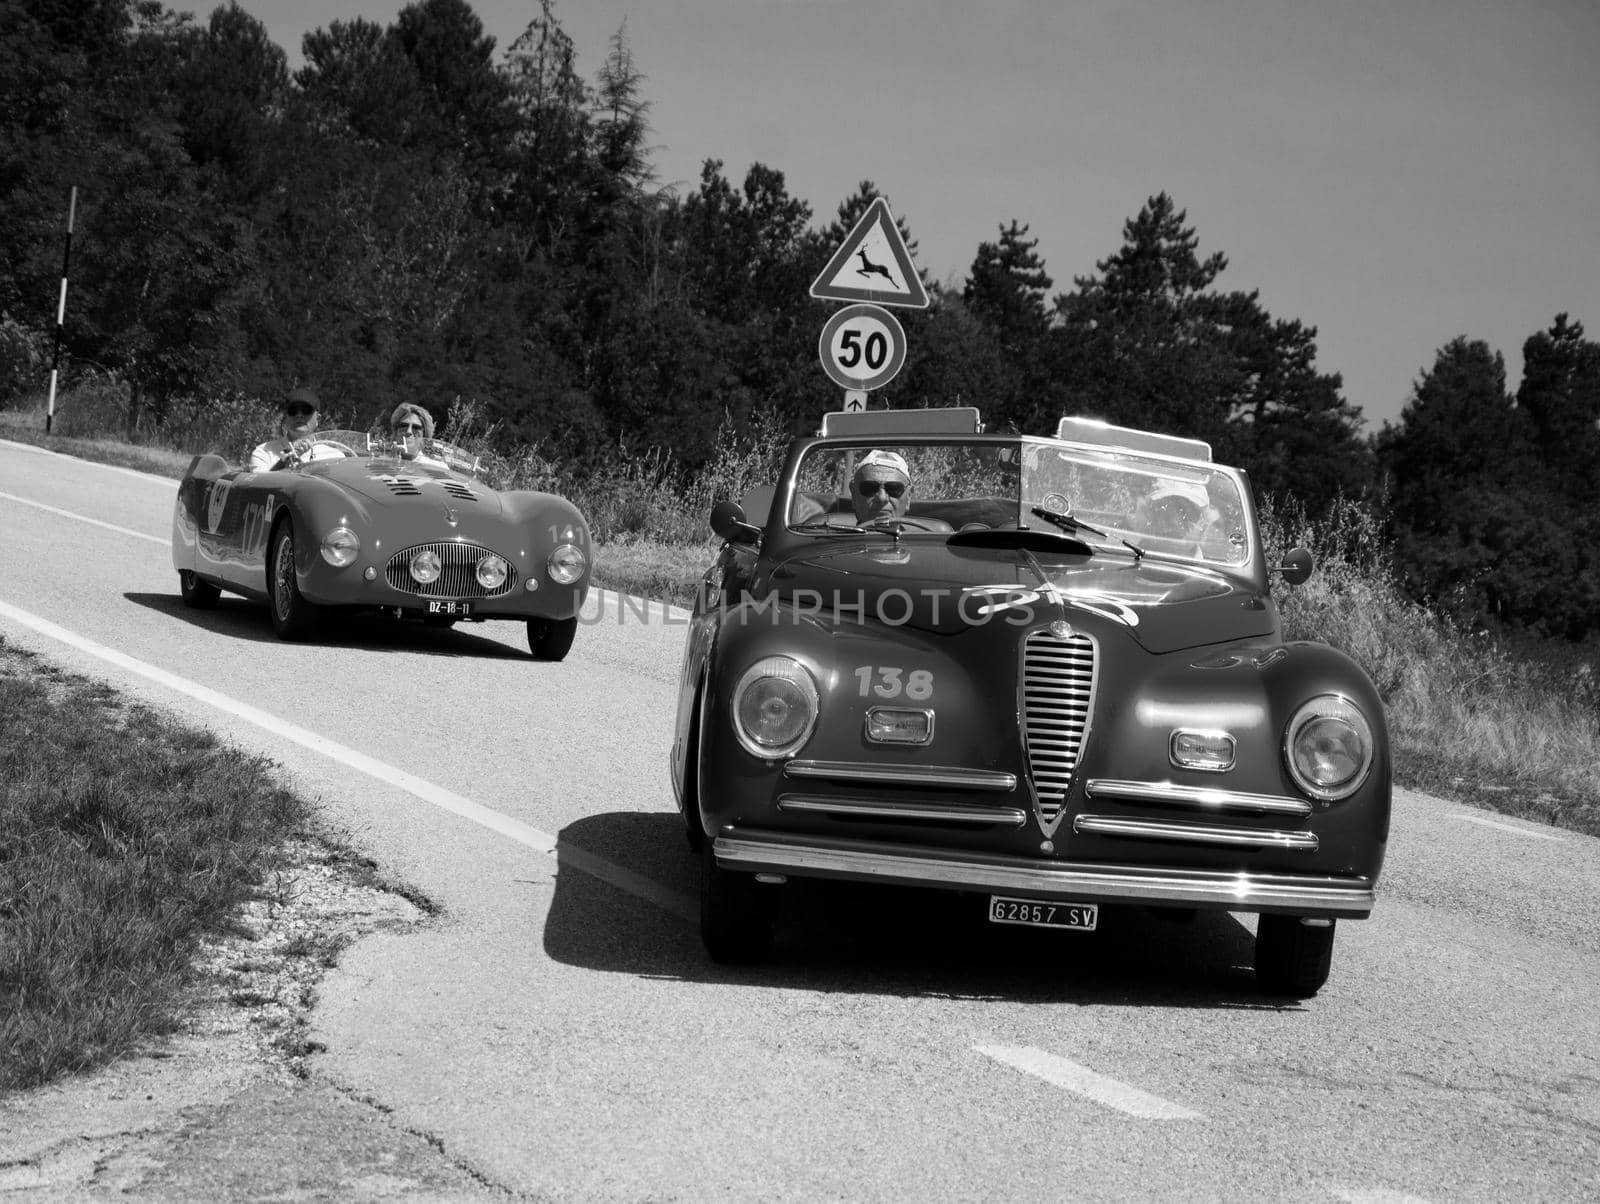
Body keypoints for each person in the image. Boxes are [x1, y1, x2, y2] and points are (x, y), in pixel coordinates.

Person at [249, 387, 329, 471]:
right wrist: (287, 459)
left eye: (306, 410)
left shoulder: (334, 455)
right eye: (293, 410)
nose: (299, 415)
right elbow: (260, 483)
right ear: (285, 417)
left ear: (318, 419)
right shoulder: (263, 453)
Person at [850, 449, 912, 524]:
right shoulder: (833, 535)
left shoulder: (926, 535)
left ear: (908, 497)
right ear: (854, 495)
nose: (882, 498)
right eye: (870, 488)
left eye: (893, 489)